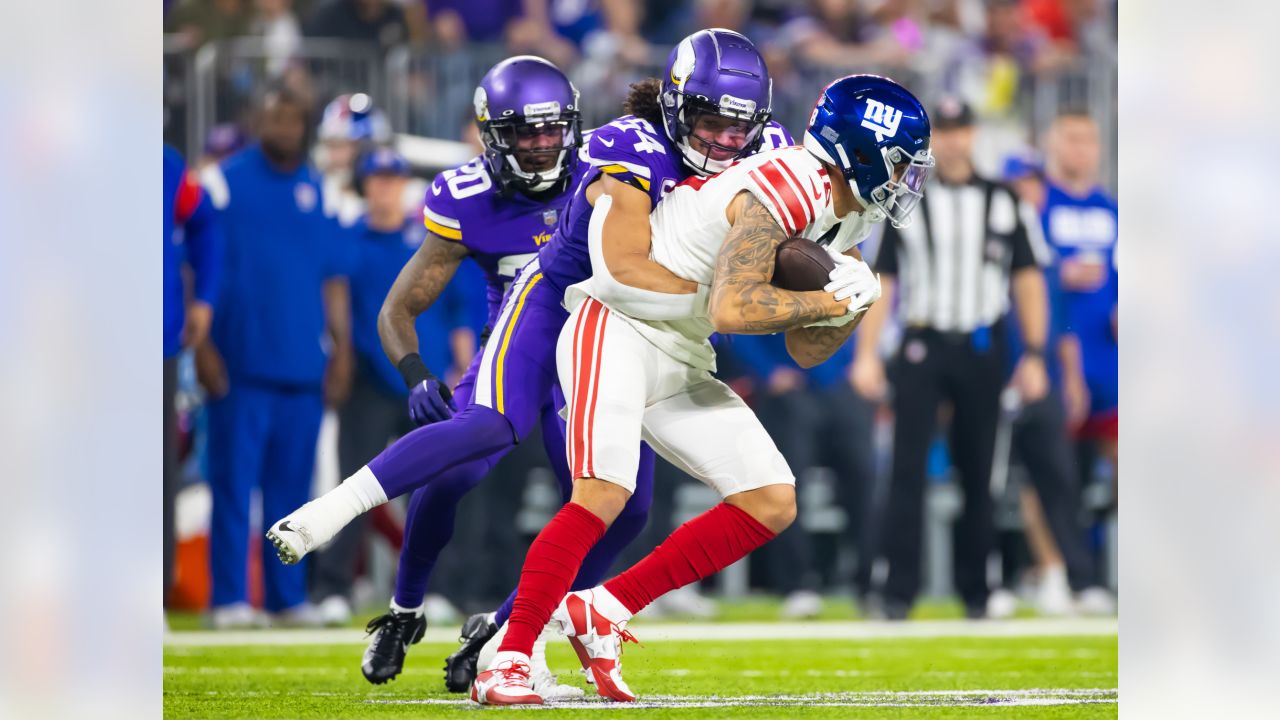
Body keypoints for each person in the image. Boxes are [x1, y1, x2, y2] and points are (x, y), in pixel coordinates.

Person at [264, 28, 789, 681]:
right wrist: (744, 297)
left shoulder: (766, 149)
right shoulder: (622, 148)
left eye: (738, 127)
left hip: (627, 327)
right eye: (709, 122)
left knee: (624, 507)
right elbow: (624, 266)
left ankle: (512, 628)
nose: (723, 141)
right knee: (484, 432)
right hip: (556, 309)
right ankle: (344, 534)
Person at [471, 73, 932, 705]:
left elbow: (804, 349)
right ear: (862, 149)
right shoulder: (791, 183)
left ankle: (603, 608)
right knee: (604, 491)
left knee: (771, 500)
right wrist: (826, 295)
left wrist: (849, 307)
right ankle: (509, 656)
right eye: (902, 162)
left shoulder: (848, 216)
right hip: (617, 322)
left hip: (682, 347)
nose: (908, 178)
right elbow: (733, 310)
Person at [851, 98, 1049, 620]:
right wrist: (867, 354)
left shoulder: (1006, 201)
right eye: (948, 131)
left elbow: (1027, 280)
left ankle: (977, 592)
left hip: (984, 344)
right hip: (922, 343)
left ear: (974, 134)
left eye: (964, 129)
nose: (957, 141)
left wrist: (1034, 353)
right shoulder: (906, 202)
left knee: (980, 470)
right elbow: (883, 283)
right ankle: (897, 591)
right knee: (906, 469)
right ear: (936, 138)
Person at [197, 87, 354, 628]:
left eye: (293, 117)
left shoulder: (321, 190)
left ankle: (288, 599)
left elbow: (334, 279)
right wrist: (203, 344)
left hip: (303, 367)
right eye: (275, 115)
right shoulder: (221, 183)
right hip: (238, 362)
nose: (284, 126)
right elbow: (196, 264)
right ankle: (230, 598)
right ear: (258, 120)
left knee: (293, 491)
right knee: (233, 486)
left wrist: (342, 351)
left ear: (305, 124)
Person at [307, 147, 478, 626]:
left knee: (439, 487)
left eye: (392, 179)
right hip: (370, 377)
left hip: (430, 379)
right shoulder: (348, 239)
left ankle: (440, 588)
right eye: (376, 179)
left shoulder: (428, 238)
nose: (385, 187)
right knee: (354, 483)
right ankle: (334, 587)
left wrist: (463, 368)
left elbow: (460, 306)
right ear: (363, 186)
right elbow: (334, 302)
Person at [1041, 110, 1117, 495]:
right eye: (1071, 138)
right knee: (1050, 476)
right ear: (1052, 143)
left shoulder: (1112, 210)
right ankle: (1053, 556)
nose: (1080, 149)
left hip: (1108, 365)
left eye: (1088, 139)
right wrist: (1058, 273)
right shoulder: (1037, 207)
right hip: (1055, 363)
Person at [163, 145, 223, 607]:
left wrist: (203, 296)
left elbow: (204, 225)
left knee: (156, 475)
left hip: (155, 341)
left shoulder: (164, 163)